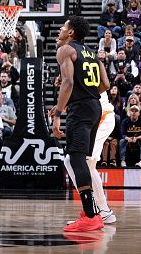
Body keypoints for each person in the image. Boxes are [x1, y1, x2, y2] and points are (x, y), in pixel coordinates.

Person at [51, 16, 110, 232]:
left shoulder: (65, 50)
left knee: (76, 158)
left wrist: (58, 113)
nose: (60, 28)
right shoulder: (93, 53)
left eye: (64, 26)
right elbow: (105, 84)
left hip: (82, 109)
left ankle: (92, 216)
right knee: (81, 158)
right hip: (95, 106)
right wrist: (84, 94)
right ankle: (90, 211)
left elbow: (67, 82)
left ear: (71, 33)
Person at [63, 90, 117, 225]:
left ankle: (94, 210)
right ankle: (103, 211)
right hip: (98, 115)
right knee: (88, 165)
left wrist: (59, 110)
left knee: (73, 161)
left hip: (100, 116)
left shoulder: (74, 70)